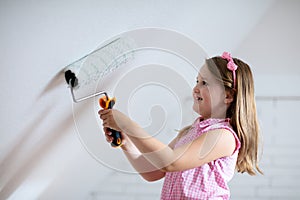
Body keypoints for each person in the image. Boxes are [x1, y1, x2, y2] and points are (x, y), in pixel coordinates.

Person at [99, 52, 263, 199]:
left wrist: (128, 125)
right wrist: (127, 142)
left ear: (227, 95)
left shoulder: (223, 136)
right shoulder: (190, 132)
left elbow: (171, 162)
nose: (195, 89)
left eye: (204, 83)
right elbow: (152, 171)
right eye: (197, 81)